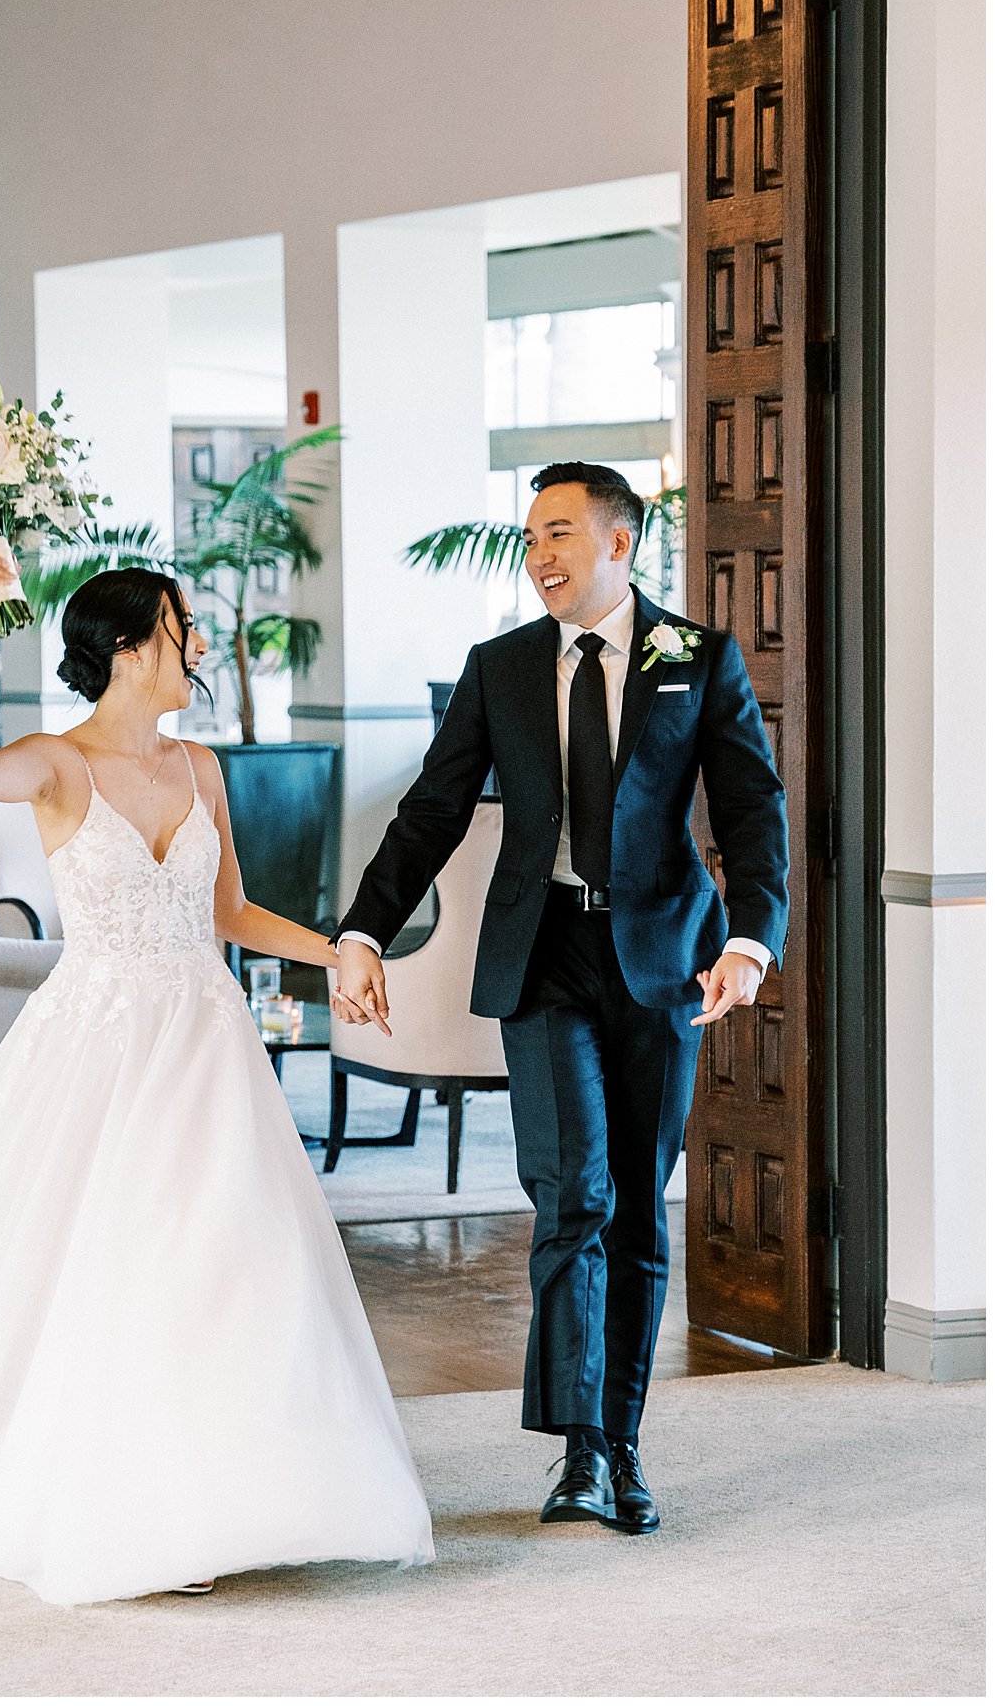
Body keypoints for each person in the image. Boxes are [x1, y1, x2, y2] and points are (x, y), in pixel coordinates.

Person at [0, 548, 433, 1606]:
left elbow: (228, 913)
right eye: (180, 627)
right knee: (116, 1259)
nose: (196, 643)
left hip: (202, 1037)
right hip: (97, 1041)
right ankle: (134, 1499)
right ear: (131, 646)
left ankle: (240, 1489)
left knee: (228, 1257)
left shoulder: (200, 769)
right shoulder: (53, 761)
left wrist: (342, 951)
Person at [334, 461, 788, 1536]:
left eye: (557, 533)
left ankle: (620, 1443)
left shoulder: (696, 656)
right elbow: (428, 811)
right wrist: (361, 929)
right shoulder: (498, 666)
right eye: (529, 536)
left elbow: (751, 809)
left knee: (634, 1199)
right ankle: (579, 1451)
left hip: (660, 963)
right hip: (540, 957)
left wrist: (750, 940)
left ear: (617, 543)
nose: (537, 554)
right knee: (570, 1190)